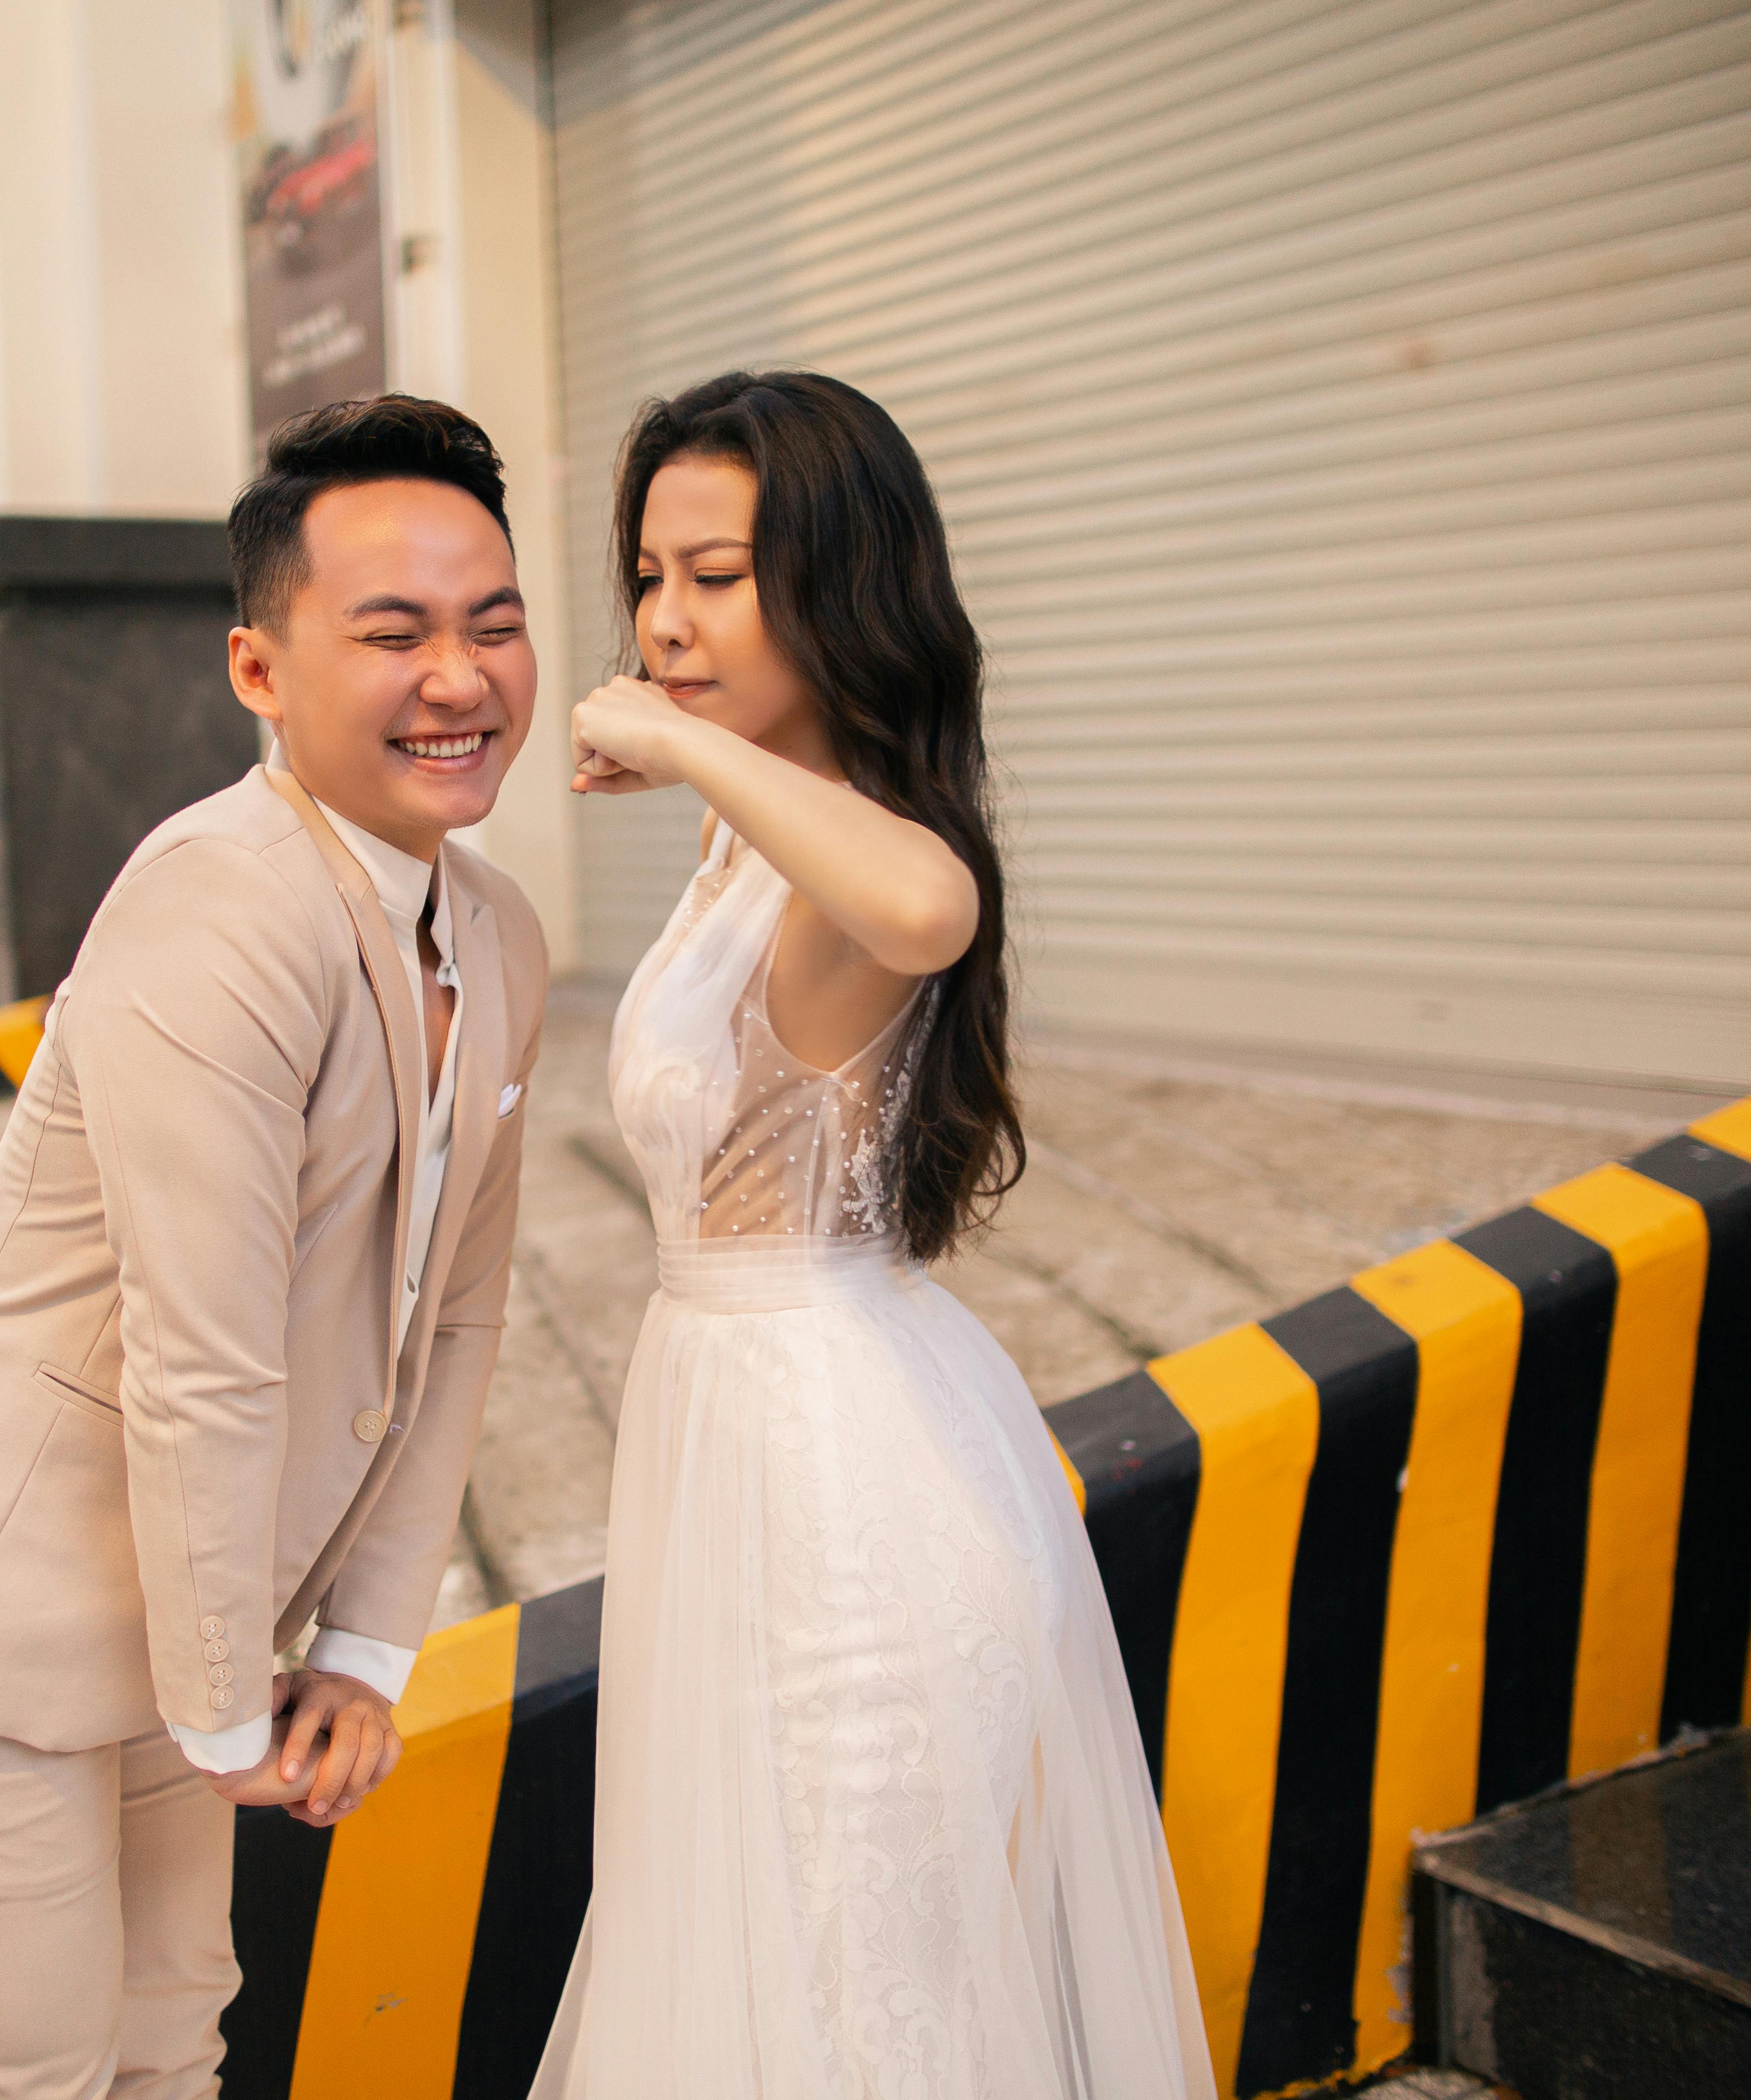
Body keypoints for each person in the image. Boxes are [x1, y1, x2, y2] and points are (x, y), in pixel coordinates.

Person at [0, 394, 548, 2100]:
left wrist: (359, 1642)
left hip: (188, 1590)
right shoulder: (218, 898)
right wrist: (228, 1707)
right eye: (394, 632)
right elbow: (206, 1348)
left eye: (495, 623)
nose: (462, 676)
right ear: (260, 670)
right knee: (37, 2071)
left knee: (175, 2035)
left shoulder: (495, 932)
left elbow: (458, 1318)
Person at [532, 371, 1216, 2097]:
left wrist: (680, 736)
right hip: (746, 1438)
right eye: (649, 572)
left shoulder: (880, 856)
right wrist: (712, 761)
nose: (666, 623)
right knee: (774, 1961)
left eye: (720, 575)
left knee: (853, 1984)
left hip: (842, 1489)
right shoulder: (748, 828)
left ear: (841, 582)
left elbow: (929, 904)